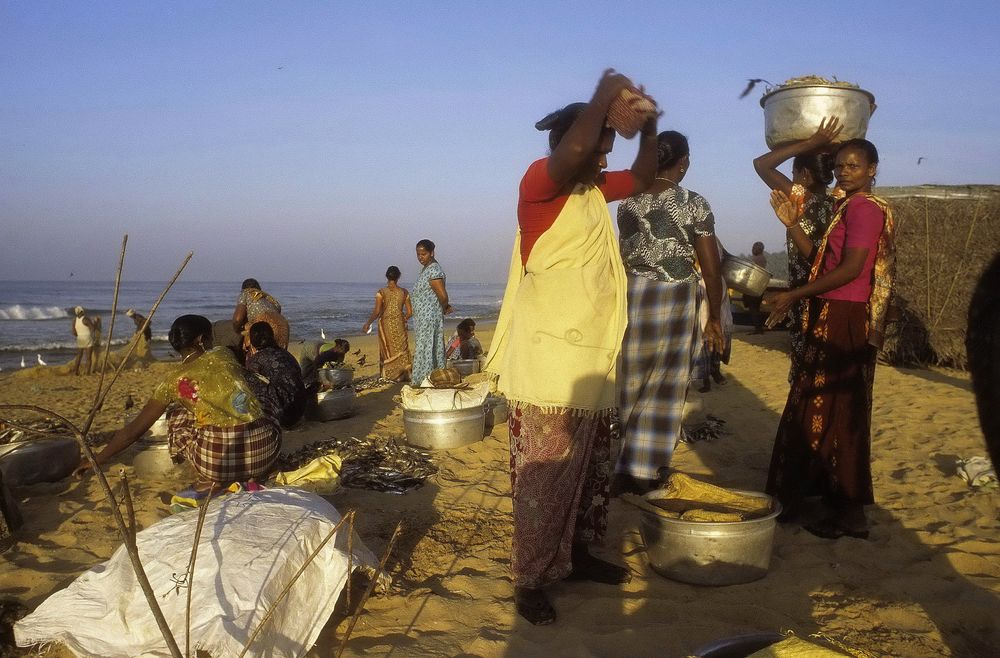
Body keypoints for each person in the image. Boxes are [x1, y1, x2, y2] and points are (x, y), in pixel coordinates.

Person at [484, 69, 659, 625]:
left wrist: (651, 126)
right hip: (547, 367)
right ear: (567, 146)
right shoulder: (541, 183)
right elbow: (581, 144)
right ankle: (530, 580)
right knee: (545, 480)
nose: (606, 157)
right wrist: (606, 92)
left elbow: (646, 175)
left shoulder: (591, 189)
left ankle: (577, 556)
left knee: (588, 473)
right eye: (600, 145)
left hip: (591, 361)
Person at [764, 138, 896, 540]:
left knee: (834, 407)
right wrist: (791, 226)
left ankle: (847, 510)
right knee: (829, 405)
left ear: (873, 168)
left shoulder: (864, 210)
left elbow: (853, 270)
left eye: (854, 166)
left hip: (845, 315)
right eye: (840, 166)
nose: (844, 172)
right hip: (832, 310)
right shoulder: (846, 208)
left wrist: (793, 294)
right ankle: (836, 503)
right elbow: (820, 261)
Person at [615, 130, 726, 491]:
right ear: (684, 163)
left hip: (634, 295)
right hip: (675, 296)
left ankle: (625, 464)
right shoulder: (693, 202)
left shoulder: (626, 203)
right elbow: (711, 267)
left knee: (632, 380)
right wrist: (713, 317)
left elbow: (624, 254)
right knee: (665, 385)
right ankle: (643, 470)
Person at [76, 314, 282, 486]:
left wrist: (95, 460)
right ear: (201, 340)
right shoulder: (223, 354)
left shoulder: (171, 381)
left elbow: (133, 431)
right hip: (266, 452)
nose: (213, 342)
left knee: (176, 415)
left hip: (217, 465)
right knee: (255, 403)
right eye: (210, 337)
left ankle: (204, 474)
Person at [754, 118, 840, 372]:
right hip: (835, 295)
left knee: (806, 370)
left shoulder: (802, 198)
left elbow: (761, 164)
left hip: (806, 296)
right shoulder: (840, 202)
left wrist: (811, 142)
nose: (790, 179)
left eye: (793, 173)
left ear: (804, 174)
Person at [246, 321, 307, 428]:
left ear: (253, 340)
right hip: (300, 408)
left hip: (283, 415)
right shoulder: (286, 354)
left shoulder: (255, 360)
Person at [411, 240, 452, 385]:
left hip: (429, 318)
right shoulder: (426, 269)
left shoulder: (434, 270)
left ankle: (426, 379)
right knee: (426, 347)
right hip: (423, 319)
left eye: (424, 254)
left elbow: (442, 296)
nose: (420, 257)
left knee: (427, 347)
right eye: (418, 254)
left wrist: (445, 306)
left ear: (432, 253)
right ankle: (428, 378)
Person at [363, 265, 413, 381]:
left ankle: (387, 375)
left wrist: (368, 323)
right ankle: (405, 375)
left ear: (387, 276)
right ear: (398, 277)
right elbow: (410, 312)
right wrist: (403, 319)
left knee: (386, 349)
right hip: (400, 324)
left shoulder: (381, 292)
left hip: (385, 325)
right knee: (402, 349)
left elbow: (377, 311)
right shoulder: (404, 292)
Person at [232, 278, 289, 351]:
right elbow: (278, 309)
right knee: (279, 354)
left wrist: (238, 331)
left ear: (243, 288)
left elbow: (237, 319)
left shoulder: (245, 293)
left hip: (263, 323)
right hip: (283, 323)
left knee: (259, 355)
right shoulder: (269, 298)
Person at [742, 241, 768, 334]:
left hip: (752, 285)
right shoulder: (763, 258)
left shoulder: (755, 259)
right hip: (759, 286)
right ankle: (759, 328)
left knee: (753, 308)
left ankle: (758, 329)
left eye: (754, 248)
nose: (753, 250)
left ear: (758, 249)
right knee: (756, 308)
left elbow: (748, 272)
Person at [70, 306, 100, 375]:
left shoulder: (75, 320)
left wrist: (79, 336)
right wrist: (96, 322)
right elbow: (93, 329)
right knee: (88, 357)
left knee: (79, 356)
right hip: (87, 338)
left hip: (80, 338)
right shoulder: (85, 319)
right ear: (82, 311)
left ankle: (76, 372)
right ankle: (87, 373)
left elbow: (74, 332)